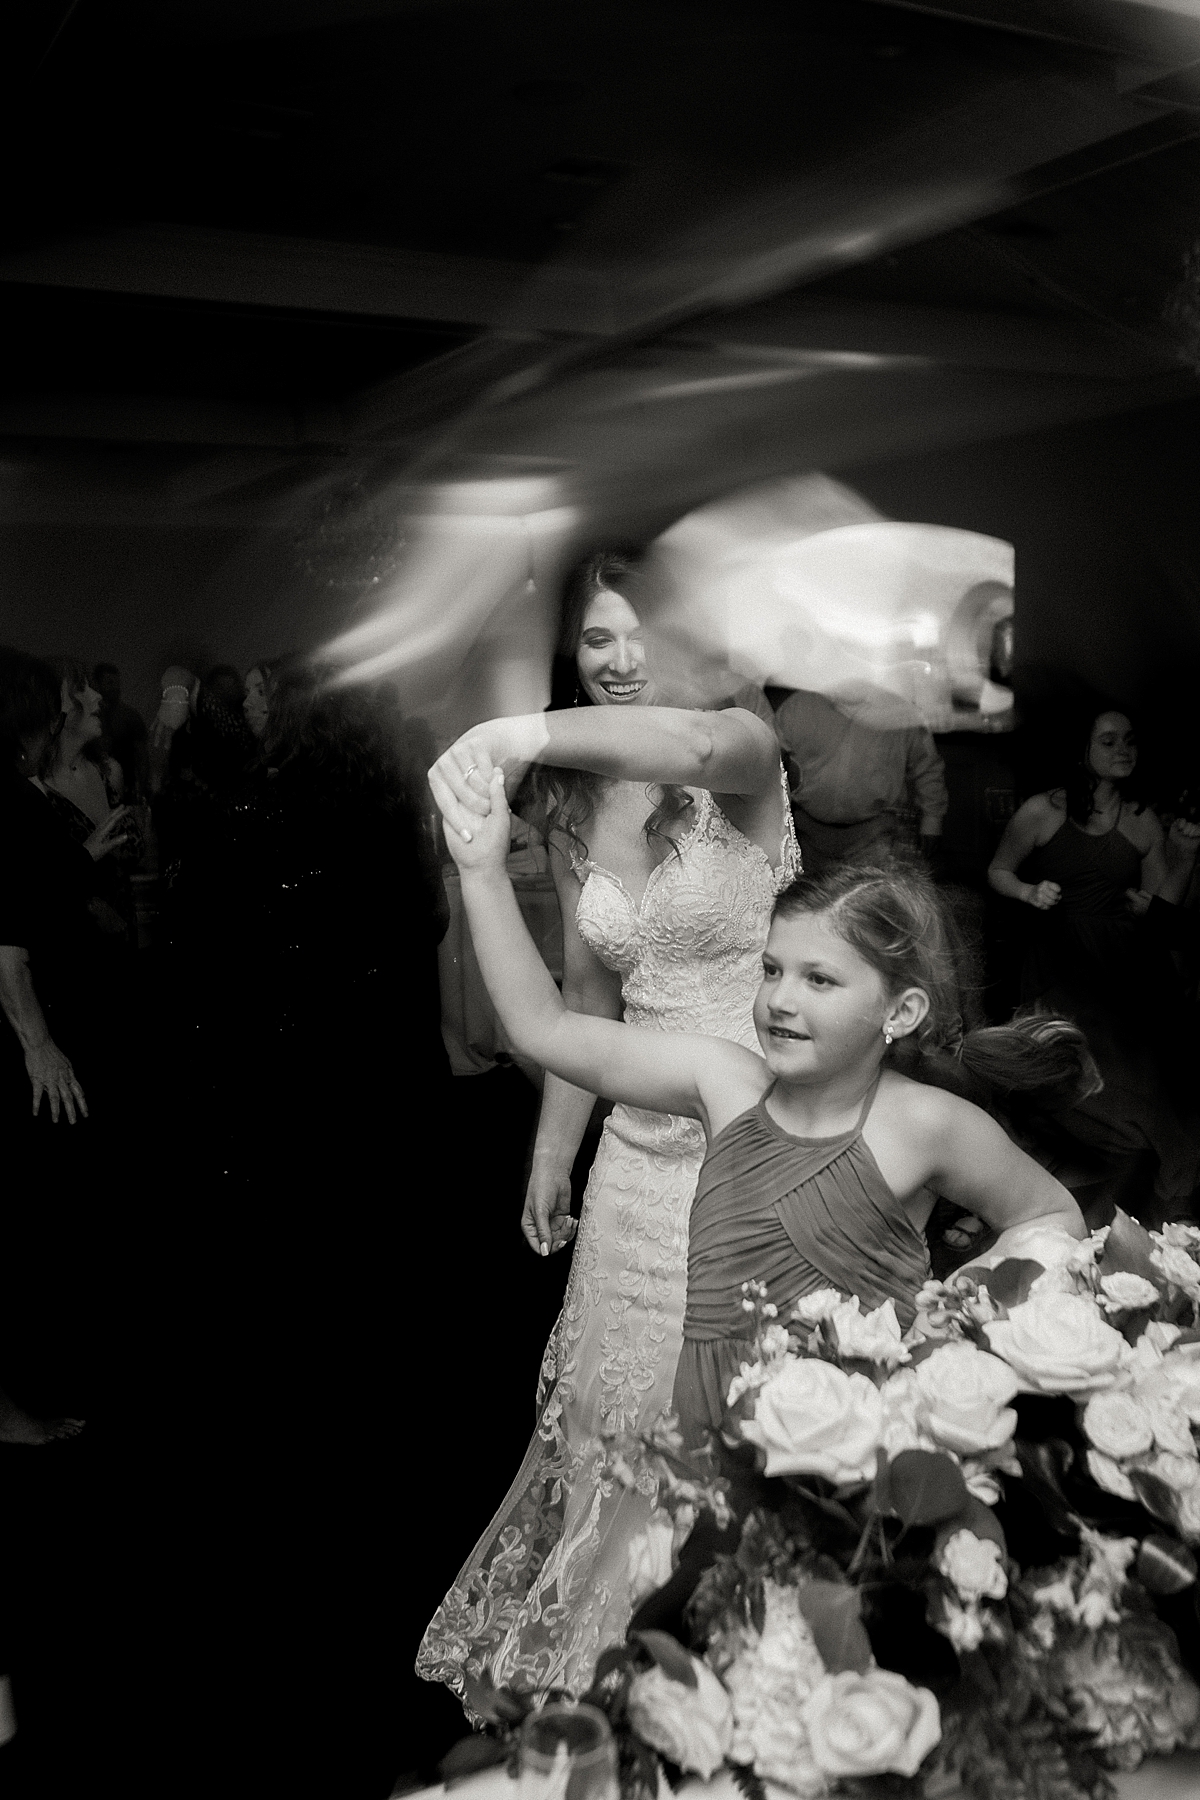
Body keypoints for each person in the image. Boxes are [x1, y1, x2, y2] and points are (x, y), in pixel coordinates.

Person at [425, 756, 1085, 1579]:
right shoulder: (726, 1084)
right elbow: (542, 1027)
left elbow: (1053, 1218)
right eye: (771, 970)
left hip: (836, 1461)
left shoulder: (927, 1124)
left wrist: (950, 1325)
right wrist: (482, 870)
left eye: (819, 979)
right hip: (706, 1439)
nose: (779, 998)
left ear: (900, 1011)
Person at [417, 553, 796, 1700]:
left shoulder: (740, 749)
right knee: (603, 1417)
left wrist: (513, 733)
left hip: (747, 1150)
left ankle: (727, 1681)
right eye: (598, 640)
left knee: (725, 1425)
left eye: (642, 636)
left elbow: (678, 746)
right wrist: (551, 1152)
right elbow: (588, 1004)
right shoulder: (583, 800)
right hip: (631, 1167)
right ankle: (610, 1683)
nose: (621, 661)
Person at [988, 705, 1200, 1222]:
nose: (1123, 749)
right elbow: (998, 868)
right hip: (1058, 960)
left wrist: (1184, 859)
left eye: (1129, 739)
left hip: (1124, 965)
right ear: (1080, 751)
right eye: (1108, 741)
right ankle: (1030, 1191)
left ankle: (1136, 1206)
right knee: (1059, 1069)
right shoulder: (1044, 811)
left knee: (1141, 1082)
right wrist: (1027, 889)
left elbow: (1157, 910)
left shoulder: (1143, 819)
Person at [772, 682, 948, 876]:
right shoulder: (799, 706)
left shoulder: (901, 712)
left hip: (875, 835)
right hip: (807, 833)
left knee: (866, 901)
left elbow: (927, 768)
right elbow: (771, 763)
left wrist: (932, 820)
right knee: (811, 899)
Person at [93, 663, 148, 801]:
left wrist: (143, 789)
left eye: (117, 683)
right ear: (98, 685)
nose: (115, 688)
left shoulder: (130, 717)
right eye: (109, 683)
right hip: (96, 785)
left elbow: (142, 757)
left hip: (126, 788)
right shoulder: (90, 718)